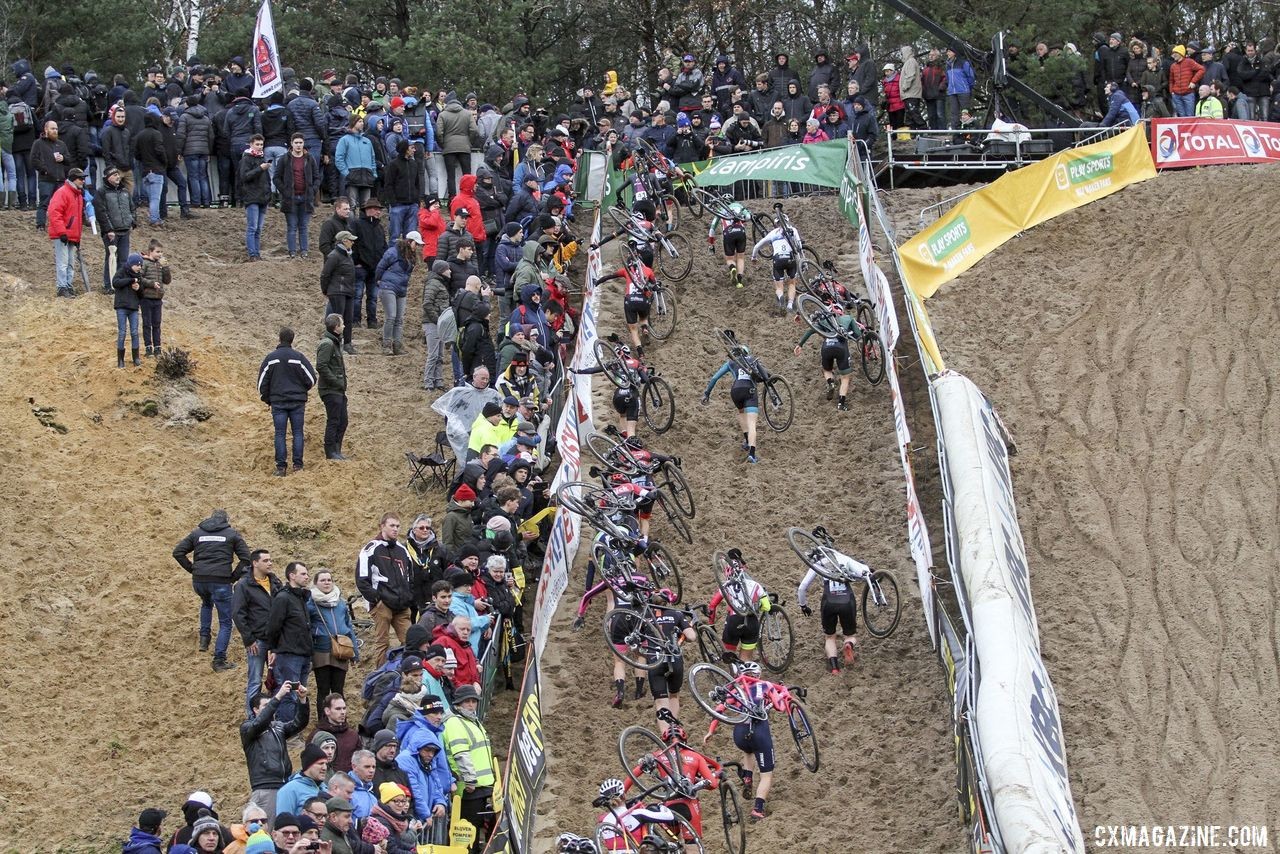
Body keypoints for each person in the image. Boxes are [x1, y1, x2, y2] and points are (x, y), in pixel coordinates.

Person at [174, 507, 252, 669]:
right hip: (221, 581)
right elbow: (246, 558)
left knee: (206, 603)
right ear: (226, 520)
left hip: (200, 581)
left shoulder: (197, 533)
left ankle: (204, 637)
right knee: (225, 622)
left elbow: (178, 552)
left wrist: (193, 570)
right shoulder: (232, 534)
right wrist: (233, 577)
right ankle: (219, 660)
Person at [701, 660, 775, 821]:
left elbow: (719, 710)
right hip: (760, 731)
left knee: (748, 750)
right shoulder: (766, 685)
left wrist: (710, 731)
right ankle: (758, 809)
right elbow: (779, 703)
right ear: (758, 675)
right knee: (766, 775)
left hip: (740, 733)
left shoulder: (736, 690)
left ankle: (747, 776)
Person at [797, 543, 874, 674]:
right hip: (847, 601)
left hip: (829, 602)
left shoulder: (819, 563)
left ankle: (834, 667)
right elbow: (863, 572)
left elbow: (802, 587)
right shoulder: (845, 559)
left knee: (830, 637)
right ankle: (848, 645)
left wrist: (803, 605)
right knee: (850, 635)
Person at [241, 680, 311, 818]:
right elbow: (259, 723)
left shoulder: (277, 727)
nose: (270, 708)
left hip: (284, 784)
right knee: (267, 829)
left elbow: (299, 723)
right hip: (265, 788)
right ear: (255, 710)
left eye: (270, 705)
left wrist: (302, 700)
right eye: (265, 705)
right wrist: (278, 697)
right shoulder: (247, 728)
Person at [701, 331, 769, 464]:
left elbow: (715, 377)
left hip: (736, 391)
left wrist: (707, 393)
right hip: (750, 390)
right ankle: (752, 454)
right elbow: (765, 376)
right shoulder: (752, 360)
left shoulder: (731, 363)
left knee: (741, 413)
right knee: (752, 424)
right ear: (746, 353)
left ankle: (746, 441)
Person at [356, 513, 415, 667]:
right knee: (383, 643)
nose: (395, 529)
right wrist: (377, 600)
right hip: (382, 604)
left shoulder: (403, 550)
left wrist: (409, 597)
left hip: (402, 605)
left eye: (398, 526)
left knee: (411, 642)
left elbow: (410, 577)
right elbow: (362, 579)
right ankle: (381, 679)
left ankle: (410, 674)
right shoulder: (371, 548)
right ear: (382, 526)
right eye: (392, 525)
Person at [443, 684, 496, 852]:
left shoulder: (471, 720)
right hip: (470, 788)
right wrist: (469, 780)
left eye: (474, 701)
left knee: (475, 828)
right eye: (467, 701)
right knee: (467, 831)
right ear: (459, 703)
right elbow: (461, 753)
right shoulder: (455, 722)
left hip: (482, 785)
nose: (471, 705)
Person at [258, 326, 317, 476]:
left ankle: (281, 467)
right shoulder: (298, 357)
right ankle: (298, 466)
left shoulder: (271, 358)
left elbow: (261, 384)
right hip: (297, 401)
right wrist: (302, 391)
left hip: (278, 402)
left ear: (279, 338)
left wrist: (268, 399)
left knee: (280, 434)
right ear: (292, 339)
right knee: (298, 432)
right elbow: (311, 378)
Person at [233, 549, 283, 715]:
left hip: (276, 640)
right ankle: (252, 717)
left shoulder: (275, 582)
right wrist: (249, 639)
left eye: (270, 560)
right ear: (255, 563)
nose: (270, 563)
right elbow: (238, 614)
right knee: (255, 680)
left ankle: (275, 716)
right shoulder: (243, 585)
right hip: (257, 641)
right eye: (266, 560)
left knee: (277, 680)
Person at [268, 561, 316, 723]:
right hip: (288, 655)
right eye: (303, 573)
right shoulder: (283, 597)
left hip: (303, 654)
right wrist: (273, 649)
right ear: (292, 576)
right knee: (288, 694)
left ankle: (294, 729)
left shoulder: (301, 597)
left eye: (307, 573)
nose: (307, 576)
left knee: (299, 694)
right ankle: (287, 732)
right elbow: (274, 626)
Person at [308, 566, 361, 708]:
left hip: (341, 650)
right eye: (323, 580)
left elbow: (349, 627)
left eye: (329, 580)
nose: (326, 583)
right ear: (316, 583)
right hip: (321, 651)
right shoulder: (310, 603)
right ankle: (323, 723)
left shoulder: (341, 603)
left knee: (338, 690)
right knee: (323, 690)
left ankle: (339, 722)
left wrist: (355, 652)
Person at [707, 548, 772, 662]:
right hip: (752, 623)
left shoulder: (727, 586)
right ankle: (743, 678)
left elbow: (712, 605)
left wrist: (711, 624)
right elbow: (766, 607)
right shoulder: (756, 585)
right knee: (745, 660)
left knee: (730, 659)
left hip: (734, 622)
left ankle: (734, 675)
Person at [794, 305, 861, 411]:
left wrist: (800, 344)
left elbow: (811, 330)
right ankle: (841, 404)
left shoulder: (825, 321)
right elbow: (858, 335)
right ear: (841, 312)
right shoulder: (848, 318)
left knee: (827, 370)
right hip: (841, 347)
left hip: (827, 346)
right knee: (845, 377)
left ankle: (830, 382)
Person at [393, 702, 451, 828]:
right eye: (427, 750)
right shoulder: (406, 760)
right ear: (418, 748)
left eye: (433, 751)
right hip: (413, 817)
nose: (430, 754)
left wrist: (441, 802)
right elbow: (415, 791)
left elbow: (436, 783)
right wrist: (425, 815)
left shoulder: (428, 760)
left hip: (424, 817)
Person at [375, 231, 422, 355]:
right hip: (388, 287)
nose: (416, 247)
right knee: (391, 316)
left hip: (401, 289)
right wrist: (379, 281)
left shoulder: (410, 257)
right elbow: (380, 267)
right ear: (409, 241)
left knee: (399, 319)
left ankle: (397, 345)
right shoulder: (393, 252)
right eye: (416, 244)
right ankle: (386, 345)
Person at [750, 204, 803, 312]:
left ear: (776, 223)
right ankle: (789, 304)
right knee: (792, 283)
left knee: (779, 287)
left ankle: (780, 296)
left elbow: (757, 246)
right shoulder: (793, 229)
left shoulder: (773, 233)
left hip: (778, 259)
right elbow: (799, 245)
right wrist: (802, 257)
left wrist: (753, 257)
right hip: (790, 258)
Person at [277, 134, 321, 258]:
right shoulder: (284, 159)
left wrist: (312, 190)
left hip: (306, 198)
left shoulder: (309, 158)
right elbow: (276, 177)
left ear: (303, 143)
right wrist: (284, 191)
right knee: (291, 226)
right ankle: (292, 252)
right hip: (290, 198)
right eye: (296, 142)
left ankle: (304, 251)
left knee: (303, 226)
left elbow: (317, 177)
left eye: (300, 142)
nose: (298, 145)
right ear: (291, 143)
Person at [46, 164, 85, 298]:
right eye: (81, 178)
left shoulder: (77, 195)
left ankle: (67, 286)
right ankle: (62, 287)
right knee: (63, 262)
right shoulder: (63, 192)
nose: (83, 181)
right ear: (74, 179)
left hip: (70, 235)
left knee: (70, 263)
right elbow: (54, 213)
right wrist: (62, 232)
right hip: (62, 234)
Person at [316, 313, 350, 461]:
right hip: (331, 390)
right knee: (334, 420)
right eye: (342, 324)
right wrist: (337, 382)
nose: (344, 326)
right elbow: (321, 366)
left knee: (342, 420)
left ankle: (337, 450)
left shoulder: (333, 342)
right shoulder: (327, 344)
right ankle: (331, 452)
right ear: (336, 327)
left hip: (337, 389)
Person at [94, 165, 133, 293]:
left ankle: (120, 284)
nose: (117, 177)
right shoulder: (101, 192)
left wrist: (132, 221)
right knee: (111, 259)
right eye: (114, 175)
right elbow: (101, 212)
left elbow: (131, 207)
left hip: (125, 230)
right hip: (112, 232)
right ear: (108, 177)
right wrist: (108, 229)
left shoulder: (125, 191)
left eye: (117, 174)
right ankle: (108, 285)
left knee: (123, 260)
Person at [352, 198, 388, 329]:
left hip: (375, 268)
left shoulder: (379, 227)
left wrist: (382, 264)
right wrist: (356, 262)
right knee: (357, 295)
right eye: (376, 209)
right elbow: (353, 245)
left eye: (379, 209)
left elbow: (384, 246)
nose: (379, 212)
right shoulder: (357, 224)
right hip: (360, 267)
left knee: (372, 297)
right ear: (368, 210)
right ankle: (355, 320)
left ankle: (372, 320)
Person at [321, 231, 358, 355]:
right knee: (338, 320)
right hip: (337, 291)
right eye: (350, 240)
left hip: (347, 291)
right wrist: (325, 290)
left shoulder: (347, 255)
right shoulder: (334, 255)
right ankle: (336, 345)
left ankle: (347, 344)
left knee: (348, 319)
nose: (353, 242)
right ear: (344, 241)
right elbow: (325, 274)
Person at [237, 134, 271, 261]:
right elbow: (244, 177)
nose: (259, 147)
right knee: (252, 227)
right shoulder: (246, 159)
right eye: (257, 144)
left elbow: (266, 180)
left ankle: (257, 253)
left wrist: (268, 195)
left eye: (261, 144)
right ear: (251, 144)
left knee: (259, 229)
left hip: (263, 197)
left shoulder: (262, 158)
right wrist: (260, 169)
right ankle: (252, 254)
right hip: (251, 197)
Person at [277, 743, 331, 818]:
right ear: (309, 765)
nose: (325, 768)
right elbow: (283, 822)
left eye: (326, 764)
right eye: (321, 763)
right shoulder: (289, 790)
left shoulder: (325, 788)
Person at [706, 197, 751, 288]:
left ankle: (732, 267)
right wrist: (742, 219)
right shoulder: (739, 205)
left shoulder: (721, 209)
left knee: (730, 259)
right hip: (741, 232)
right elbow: (748, 217)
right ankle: (739, 281)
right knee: (741, 258)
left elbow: (712, 228)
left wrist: (711, 243)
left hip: (728, 233)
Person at [111, 252, 144, 366]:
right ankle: (120, 360)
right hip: (121, 307)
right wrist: (130, 281)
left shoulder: (139, 276)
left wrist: (138, 288)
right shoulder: (121, 272)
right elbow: (115, 283)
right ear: (131, 264)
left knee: (135, 333)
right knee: (122, 333)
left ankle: (136, 358)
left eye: (140, 265)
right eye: (137, 265)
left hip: (134, 308)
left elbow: (142, 294)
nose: (139, 267)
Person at [138, 238, 170, 357]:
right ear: (150, 251)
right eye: (158, 252)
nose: (160, 254)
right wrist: (151, 284)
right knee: (147, 324)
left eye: (161, 252)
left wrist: (166, 267)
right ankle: (148, 348)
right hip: (146, 298)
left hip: (158, 299)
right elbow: (139, 278)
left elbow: (167, 281)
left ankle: (157, 347)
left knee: (157, 323)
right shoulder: (144, 263)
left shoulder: (160, 265)